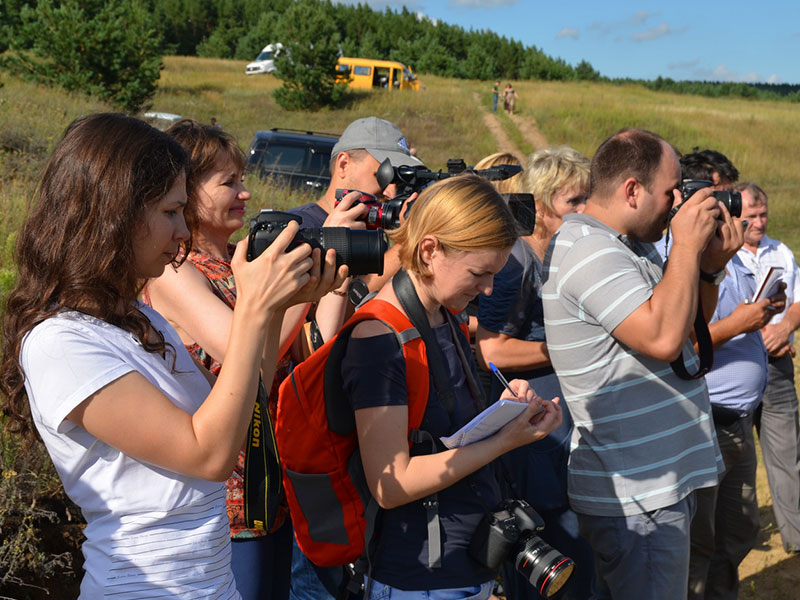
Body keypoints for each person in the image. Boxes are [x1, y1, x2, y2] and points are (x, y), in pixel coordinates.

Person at [0, 113, 343, 598]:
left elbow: (247, 398)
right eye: (169, 212)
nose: (184, 231)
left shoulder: (140, 322)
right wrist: (252, 310)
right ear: (111, 213)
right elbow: (208, 456)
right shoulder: (61, 343)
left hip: (211, 583)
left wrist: (278, 306)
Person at [143, 120, 348, 599]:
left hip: (274, 483)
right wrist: (290, 297)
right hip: (227, 494)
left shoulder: (246, 260)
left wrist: (330, 282)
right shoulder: (175, 270)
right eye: (228, 182)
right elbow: (240, 351)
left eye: (242, 178)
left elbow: (312, 352)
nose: (245, 192)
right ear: (186, 192)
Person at [542, 128, 743, 600]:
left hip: (660, 482)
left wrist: (708, 268)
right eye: (671, 190)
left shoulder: (629, 245)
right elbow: (660, 337)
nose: (678, 202)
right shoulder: (590, 250)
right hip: (639, 495)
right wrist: (688, 248)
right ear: (632, 190)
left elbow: (688, 333)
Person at [342, 174, 562, 600]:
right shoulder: (380, 337)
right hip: (419, 577)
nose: (488, 289)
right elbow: (392, 484)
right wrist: (505, 442)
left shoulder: (443, 314)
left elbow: (439, 431)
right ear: (430, 250)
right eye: (479, 273)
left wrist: (504, 413)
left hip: (460, 564)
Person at [287, 116, 424, 600]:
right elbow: (316, 341)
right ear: (342, 165)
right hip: (308, 450)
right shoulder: (297, 229)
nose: (390, 192)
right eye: (383, 176)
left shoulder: (377, 230)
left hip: (354, 444)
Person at [476, 146, 593, 600]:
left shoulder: (547, 256)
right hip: (533, 435)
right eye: (573, 201)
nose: (584, 210)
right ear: (540, 207)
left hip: (549, 422)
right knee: (554, 546)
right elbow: (491, 347)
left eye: (587, 198)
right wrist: (568, 348)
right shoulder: (515, 263)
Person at [687, 251, 781, 600]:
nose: (734, 215)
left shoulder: (735, 258)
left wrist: (767, 306)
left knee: (740, 531)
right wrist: (741, 323)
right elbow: (683, 344)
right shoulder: (682, 259)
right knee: (699, 542)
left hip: (740, 422)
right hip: (706, 422)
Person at [735, 182, 800, 555]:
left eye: (763, 215)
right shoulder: (722, 256)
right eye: (751, 217)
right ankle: (739, 540)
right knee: (738, 462)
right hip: (737, 369)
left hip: (776, 367)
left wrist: (784, 329)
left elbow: (797, 301)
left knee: (787, 452)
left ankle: (795, 539)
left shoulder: (782, 251)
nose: (759, 223)